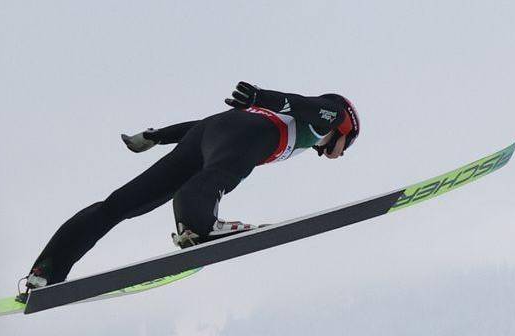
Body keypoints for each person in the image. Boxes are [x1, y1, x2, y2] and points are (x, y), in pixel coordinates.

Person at [19, 81, 359, 297]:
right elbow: (305, 104)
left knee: (119, 205)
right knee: (217, 175)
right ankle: (198, 226)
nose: (343, 153)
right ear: (346, 130)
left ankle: (45, 273)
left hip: (207, 134)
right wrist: (262, 96)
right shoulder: (330, 117)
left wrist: (158, 136)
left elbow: (209, 127)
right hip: (243, 134)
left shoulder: (301, 132)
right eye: (350, 143)